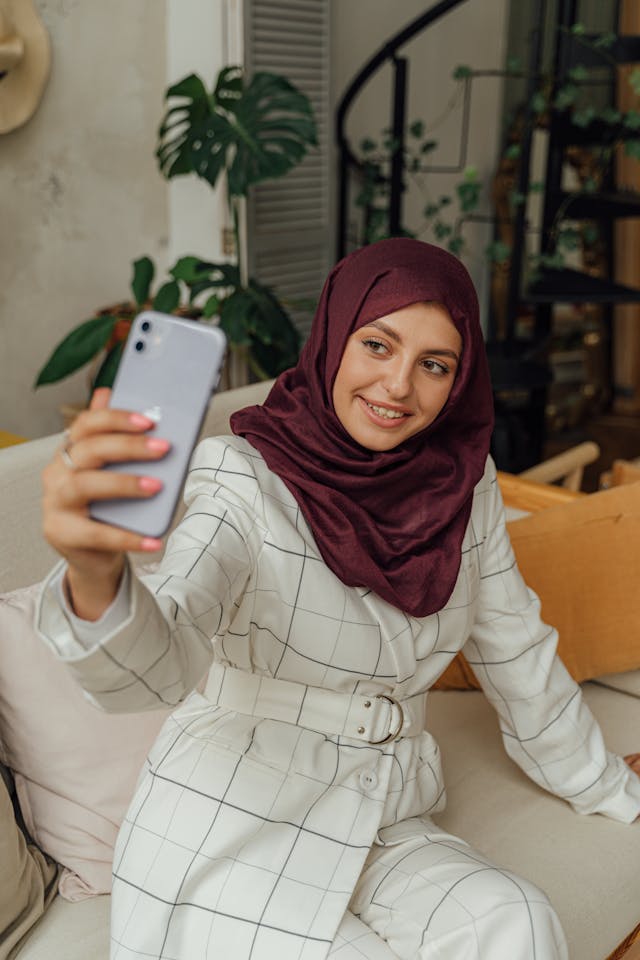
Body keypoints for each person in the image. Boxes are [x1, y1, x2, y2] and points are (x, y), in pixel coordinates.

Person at [38, 238, 640, 960]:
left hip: (383, 816)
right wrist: (96, 576)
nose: (397, 386)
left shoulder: (463, 482)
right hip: (234, 822)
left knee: (515, 920)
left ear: (461, 379)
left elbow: (518, 651)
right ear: (332, 336)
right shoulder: (240, 477)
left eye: (434, 365)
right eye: (377, 345)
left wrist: (611, 787)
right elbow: (163, 657)